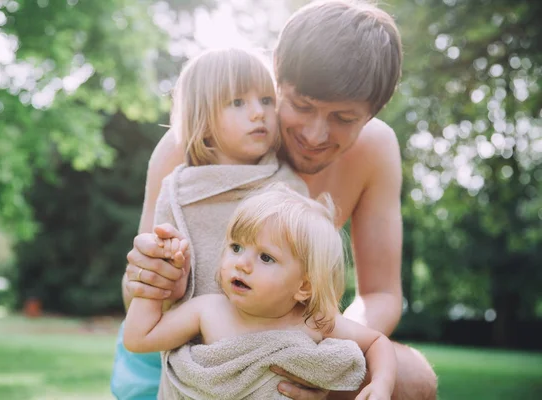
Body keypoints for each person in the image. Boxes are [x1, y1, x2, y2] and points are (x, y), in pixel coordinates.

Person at [116, 1, 438, 399]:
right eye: (301, 106)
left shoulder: (375, 150)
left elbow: (380, 294)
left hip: (290, 337)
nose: (316, 134)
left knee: (414, 380)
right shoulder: (198, 142)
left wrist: (317, 348)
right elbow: (135, 292)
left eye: (344, 118)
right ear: (277, 77)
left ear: (373, 113)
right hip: (182, 345)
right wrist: (150, 278)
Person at [111, 46, 308, 399]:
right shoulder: (178, 189)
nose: (258, 113)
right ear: (203, 119)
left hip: (269, 356)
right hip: (191, 359)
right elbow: (153, 293)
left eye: (266, 100)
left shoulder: (289, 187)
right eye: (237, 103)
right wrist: (168, 275)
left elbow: (313, 278)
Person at [124, 186, 397, 400]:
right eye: (236, 247)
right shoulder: (208, 310)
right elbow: (139, 338)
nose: (241, 263)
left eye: (266, 258)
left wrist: (381, 386)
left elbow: (376, 343)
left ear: (304, 286)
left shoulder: (313, 322)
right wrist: (156, 280)